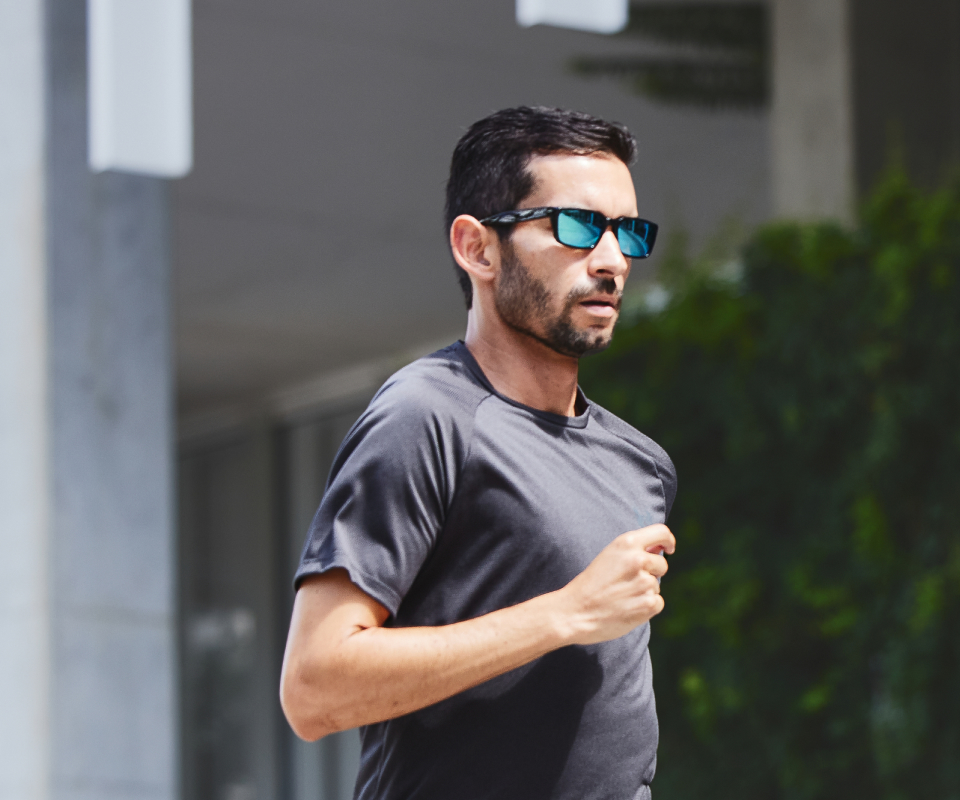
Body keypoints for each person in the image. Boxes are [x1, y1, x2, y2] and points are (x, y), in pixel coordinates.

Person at [280, 106, 677, 800]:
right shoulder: (425, 417)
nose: (612, 261)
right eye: (578, 226)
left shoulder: (639, 464)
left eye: (628, 232)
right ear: (478, 248)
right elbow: (315, 686)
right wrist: (564, 614)